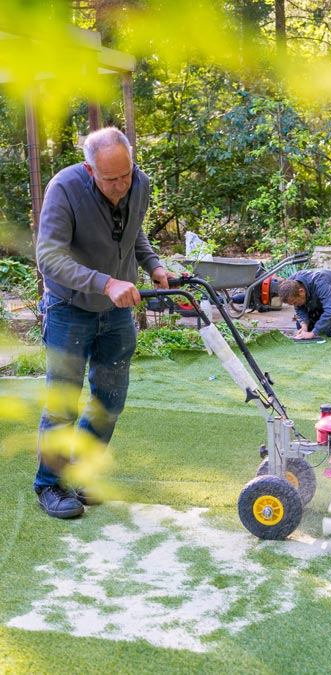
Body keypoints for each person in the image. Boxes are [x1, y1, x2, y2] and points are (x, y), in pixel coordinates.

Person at [34, 126, 173, 519]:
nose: (121, 186)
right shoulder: (65, 189)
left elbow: (132, 232)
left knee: (110, 400)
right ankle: (49, 485)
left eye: (126, 175)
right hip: (69, 309)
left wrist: (153, 264)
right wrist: (105, 282)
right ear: (89, 169)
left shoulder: (137, 183)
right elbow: (49, 258)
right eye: (110, 179)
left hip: (115, 314)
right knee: (62, 404)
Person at [278, 269, 331, 339]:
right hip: (320, 301)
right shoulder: (290, 284)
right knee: (301, 326)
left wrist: (313, 333)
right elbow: (299, 309)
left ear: (301, 291)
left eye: (295, 302)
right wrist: (304, 325)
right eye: (292, 304)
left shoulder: (321, 282)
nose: (295, 306)